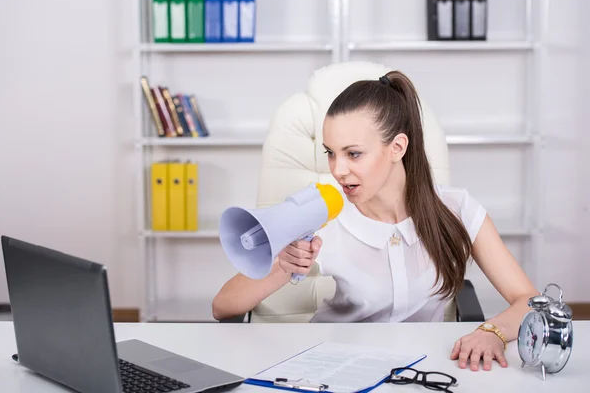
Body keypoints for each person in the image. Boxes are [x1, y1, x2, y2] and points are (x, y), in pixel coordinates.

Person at [212, 70, 539, 372]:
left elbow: (530, 301)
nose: (337, 170)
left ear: (397, 147)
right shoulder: (326, 217)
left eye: (353, 154)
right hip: (335, 369)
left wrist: (492, 331)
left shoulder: (458, 208)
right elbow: (223, 307)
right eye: (330, 153)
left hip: (424, 367)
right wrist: (285, 265)